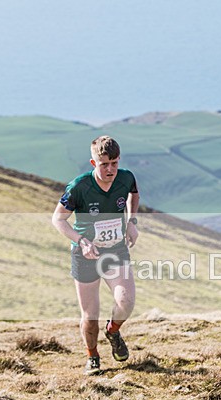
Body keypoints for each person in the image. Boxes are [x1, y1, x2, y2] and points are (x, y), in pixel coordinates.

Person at [51, 136, 140, 375]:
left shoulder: (126, 178)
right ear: (94, 163)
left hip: (116, 250)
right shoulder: (79, 187)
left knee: (126, 302)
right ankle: (92, 357)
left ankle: (113, 331)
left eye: (114, 163)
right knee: (90, 317)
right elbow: (58, 219)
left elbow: (134, 194)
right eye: (104, 164)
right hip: (86, 256)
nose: (110, 169)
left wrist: (132, 222)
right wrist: (82, 241)